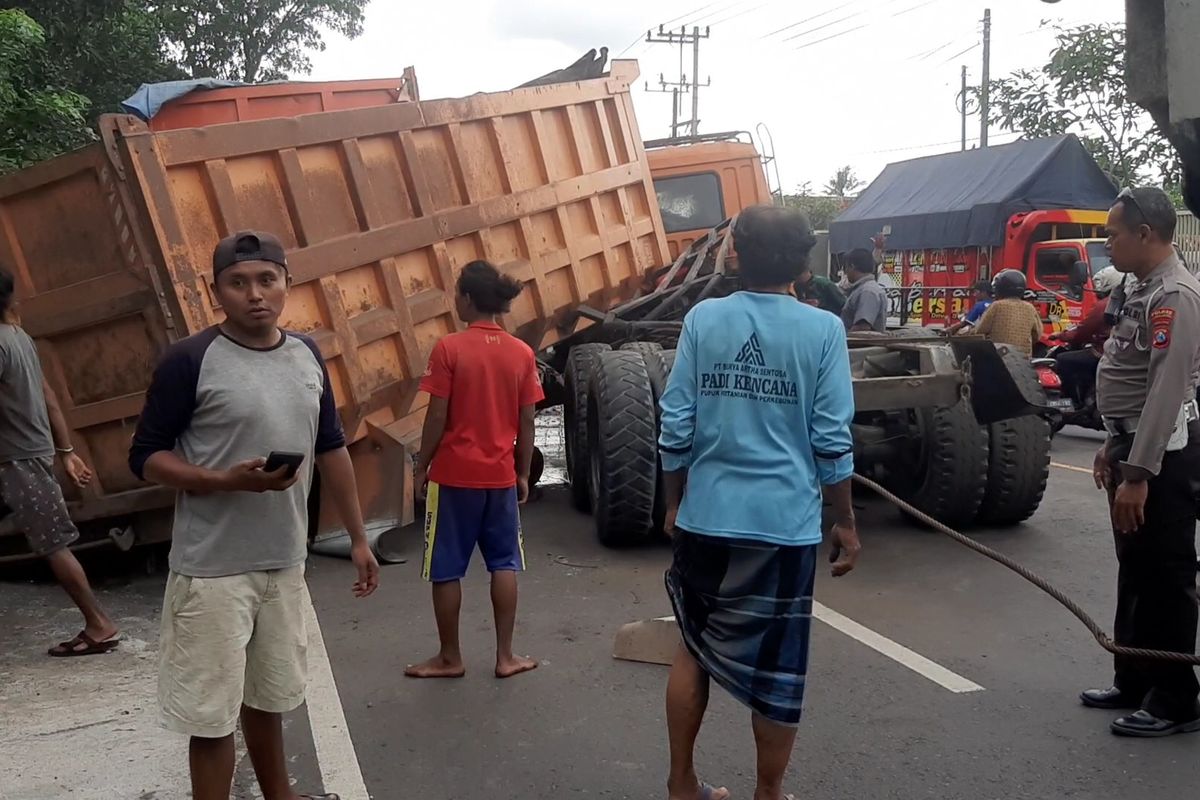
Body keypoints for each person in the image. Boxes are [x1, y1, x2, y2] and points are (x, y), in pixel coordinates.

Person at [128, 230, 380, 800]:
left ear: (287, 282)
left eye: (267, 279)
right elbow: (145, 458)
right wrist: (222, 480)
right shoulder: (189, 360)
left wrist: (359, 538)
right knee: (212, 718)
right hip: (212, 571)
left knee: (268, 700)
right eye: (237, 283)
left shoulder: (306, 354)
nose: (255, 294)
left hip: (283, 563)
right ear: (215, 290)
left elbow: (332, 447)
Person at [657, 205, 860, 800]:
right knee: (778, 669)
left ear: (736, 254)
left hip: (706, 518)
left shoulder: (703, 318)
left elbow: (676, 423)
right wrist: (845, 521)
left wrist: (674, 502)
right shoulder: (822, 330)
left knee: (692, 647)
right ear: (803, 262)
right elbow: (830, 439)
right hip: (784, 528)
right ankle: (767, 794)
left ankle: (680, 783)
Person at [1083, 186, 1200, 738]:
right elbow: (1127, 379)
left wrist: (1139, 473)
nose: (1109, 244)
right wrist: (1113, 443)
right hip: (1133, 443)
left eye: (1113, 234)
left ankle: (1176, 697)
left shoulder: (1174, 296)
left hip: (1164, 452)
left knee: (1165, 573)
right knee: (1135, 567)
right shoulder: (1140, 289)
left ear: (1145, 235)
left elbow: (1165, 391)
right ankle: (1134, 677)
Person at [406, 260, 543, 680]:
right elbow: (527, 421)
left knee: (446, 567)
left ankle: (450, 657)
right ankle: (506, 657)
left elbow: (436, 415)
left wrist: (422, 465)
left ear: (467, 298)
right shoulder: (522, 353)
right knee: (504, 563)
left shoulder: (449, 348)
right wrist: (521, 473)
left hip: (454, 477)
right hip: (500, 478)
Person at [0, 266, 119, 657]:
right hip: (27, 458)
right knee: (51, 543)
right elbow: (49, 396)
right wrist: (66, 451)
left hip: (17, 463)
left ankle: (99, 624)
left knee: (53, 545)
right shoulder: (19, 337)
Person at [1049, 266, 1124, 404]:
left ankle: (1072, 401)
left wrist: (1062, 336)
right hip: (1120, 353)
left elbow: (1083, 331)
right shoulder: (1127, 301)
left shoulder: (1104, 305)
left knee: (1063, 359)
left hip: (1102, 352)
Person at [971, 269, 1044, 356]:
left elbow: (980, 330)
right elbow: (1037, 334)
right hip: (1023, 358)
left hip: (999, 356)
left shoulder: (997, 306)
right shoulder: (1030, 308)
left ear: (1001, 288)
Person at [840, 247, 887, 332]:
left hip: (861, 345)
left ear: (852, 266)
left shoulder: (867, 292)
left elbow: (862, 327)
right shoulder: (862, 289)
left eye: (845, 268)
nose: (845, 273)